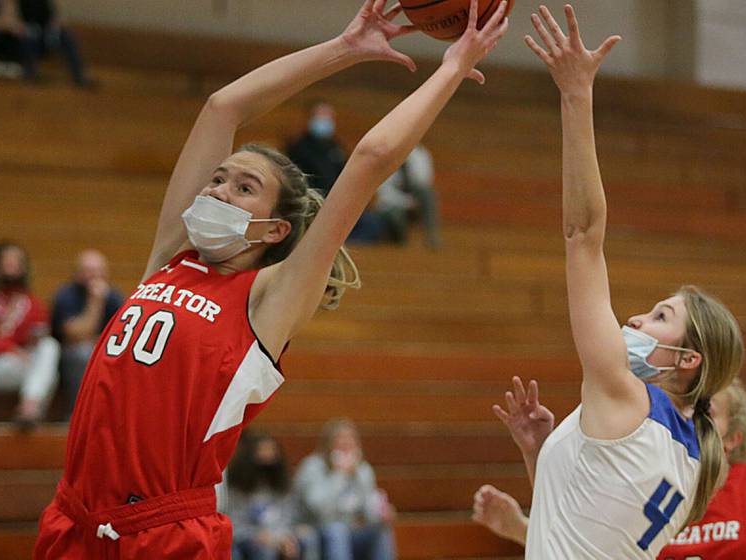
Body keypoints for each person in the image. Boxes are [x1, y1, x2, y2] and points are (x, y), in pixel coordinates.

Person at [33, 1, 509, 558]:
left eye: (244, 188)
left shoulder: (268, 299)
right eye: (218, 178)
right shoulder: (171, 258)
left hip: (163, 532)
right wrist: (343, 49)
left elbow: (370, 159)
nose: (218, 190)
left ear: (275, 228)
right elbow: (222, 107)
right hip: (73, 518)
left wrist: (452, 68)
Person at [485, 5, 743, 558]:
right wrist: (542, 452)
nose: (636, 319)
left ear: (688, 359)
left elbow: (583, 233)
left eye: (660, 316)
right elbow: (582, 527)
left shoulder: (625, 395)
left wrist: (576, 94)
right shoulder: (695, 458)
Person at [472, 379, 746, 558]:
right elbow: (585, 544)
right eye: (685, 407)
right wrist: (521, 527)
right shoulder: (645, 474)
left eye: (706, 411)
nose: (690, 419)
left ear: (733, 438)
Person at [0, 241, 60, 426]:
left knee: (49, 346)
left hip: (20, 363)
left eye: (16, 261)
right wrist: (9, 348)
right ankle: (31, 409)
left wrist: (33, 338)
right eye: (7, 260)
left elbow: (41, 329)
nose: (11, 265)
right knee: (48, 376)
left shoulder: (30, 302)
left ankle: (28, 408)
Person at [293, 419, 395, 560]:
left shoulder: (363, 470)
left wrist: (381, 515)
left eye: (351, 439)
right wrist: (339, 475)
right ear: (328, 443)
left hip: (352, 531)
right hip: (316, 529)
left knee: (381, 530)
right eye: (340, 439)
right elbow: (318, 510)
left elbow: (368, 512)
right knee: (337, 530)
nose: (346, 444)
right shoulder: (312, 467)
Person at [50, 249, 123, 417]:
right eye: (89, 270)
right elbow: (74, 334)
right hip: (67, 354)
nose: (95, 276)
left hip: (101, 349)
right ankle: (79, 414)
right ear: (77, 273)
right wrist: (95, 302)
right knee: (83, 354)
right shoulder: (66, 295)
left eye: (99, 271)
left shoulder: (113, 296)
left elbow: (121, 333)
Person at [226, 432, 318, 560]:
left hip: (280, 533)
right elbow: (235, 523)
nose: (268, 456)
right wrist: (258, 535)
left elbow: (289, 516)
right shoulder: (238, 485)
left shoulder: (283, 483)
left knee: (308, 537)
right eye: (262, 451)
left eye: (271, 450)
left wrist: (282, 537)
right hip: (249, 537)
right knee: (265, 549)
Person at [374, 144, 441, 248]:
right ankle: (401, 241)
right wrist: (408, 203)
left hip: (412, 198)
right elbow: (385, 194)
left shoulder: (420, 154)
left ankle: (431, 235)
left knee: (427, 193)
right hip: (390, 206)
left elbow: (425, 181)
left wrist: (413, 201)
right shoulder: (387, 157)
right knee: (397, 215)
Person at [16, 0, 93, 87]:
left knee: (67, 37)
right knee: (28, 39)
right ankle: (30, 74)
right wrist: (25, 28)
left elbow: (54, 17)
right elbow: (15, 20)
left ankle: (78, 76)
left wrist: (53, 29)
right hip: (28, 33)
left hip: (47, 33)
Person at [286, 100, 347, 197]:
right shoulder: (298, 148)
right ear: (310, 118)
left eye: (328, 116)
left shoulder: (336, 146)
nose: (325, 120)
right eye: (321, 116)